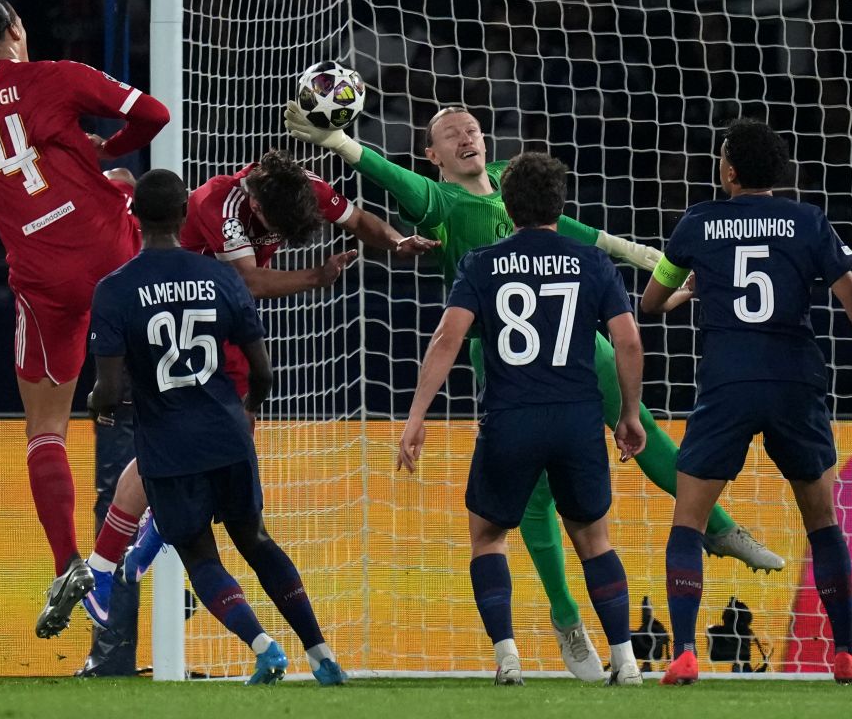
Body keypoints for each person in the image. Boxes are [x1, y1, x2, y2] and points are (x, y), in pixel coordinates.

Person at [285, 102, 784, 681]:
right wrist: (343, 145)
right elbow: (386, 174)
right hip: (503, 360)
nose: (466, 137)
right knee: (539, 501)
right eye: (450, 135)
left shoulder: (506, 180)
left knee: (637, 422)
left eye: (471, 128)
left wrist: (630, 251)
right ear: (433, 156)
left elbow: (561, 223)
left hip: (574, 345)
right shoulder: (436, 200)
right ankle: (568, 619)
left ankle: (719, 529)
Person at [80, 149, 438, 633]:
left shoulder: (299, 187)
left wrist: (396, 242)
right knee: (173, 445)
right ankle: (104, 568)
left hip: (220, 320)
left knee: (225, 444)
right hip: (189, 324)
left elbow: (356, 219)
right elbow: (247, 281)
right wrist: (316, 277)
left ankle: (149, 536)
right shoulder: (217, 203)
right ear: (256, 202)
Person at [0, 0, 169, 639]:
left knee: (46, 428)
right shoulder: (58, 76)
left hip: (45, 276)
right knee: (170, 394)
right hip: (110, 253)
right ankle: (168, 527)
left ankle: (67, 563)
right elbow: (153, 115)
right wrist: (108, 153)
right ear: (17, 29)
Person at [640, 118, 852, 686]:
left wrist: (686, 293)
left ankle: (686, 651)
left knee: (689, 522)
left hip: (727, 384)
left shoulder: (696, 224)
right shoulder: (808, 222)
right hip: (795, 382)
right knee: (822, 522)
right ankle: (846, 653)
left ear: (731, 171)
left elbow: (650, 301)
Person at [87, 168, 347, 686]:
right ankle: (322, 656)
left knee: (200, 555)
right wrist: (246, 405)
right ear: (186, 215)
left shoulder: (114, 289)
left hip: (168, 443)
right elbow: (264, 371)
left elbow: (110, 391)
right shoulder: (225, 277)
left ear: (134, 217)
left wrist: (99, 404)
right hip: (228, 432)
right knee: (257, 541)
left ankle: (264, 647)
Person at [398, 152, 646, 685]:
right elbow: (627, 338)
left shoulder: (481, 264)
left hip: (510, 418)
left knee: (488, 536)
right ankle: (625, 661)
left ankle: (508, 657)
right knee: (594, 540)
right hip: (578, 418)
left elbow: (447, 340)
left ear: (508, 207)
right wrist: (628, 413)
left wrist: (416, 417)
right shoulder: (591, 261)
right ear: (560, 203)